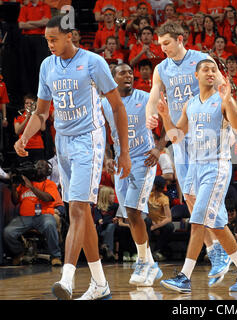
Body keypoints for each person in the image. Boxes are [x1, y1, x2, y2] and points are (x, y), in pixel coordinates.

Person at [14, 15, 131, 300]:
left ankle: (66, 278)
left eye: (54, 39)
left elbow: (117, 107)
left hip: (88, 141)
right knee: (81, 216)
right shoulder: (47, 66)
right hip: (63, 144)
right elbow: (41, 113)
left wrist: (123, 151)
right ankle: (100, 284)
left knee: (77, 210)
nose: (50, 44)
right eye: (47, 40)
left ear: (71, 36)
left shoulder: (93, 62)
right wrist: (25, 137)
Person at [159, 59, 237, 293]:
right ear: (196, 75)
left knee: (197, 221)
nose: (211, 72)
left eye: (214, 69)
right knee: (217, 224)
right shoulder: (190, 104)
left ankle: (184, 277)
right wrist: (164, 115)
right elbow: (176, 136)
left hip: (216, 167)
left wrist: (229, 103)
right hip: (195, 167)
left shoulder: (223, 101)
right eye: (206, 69)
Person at [145, 21, 231, 285]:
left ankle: (223, 250)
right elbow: (153, 96)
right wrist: (150, 116)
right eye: (160, 45)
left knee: (209, 200)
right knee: (191, 196)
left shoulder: (202, 60)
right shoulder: (161, 68)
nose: (163, 50)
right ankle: (215, 249)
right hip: (180, 137)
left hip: (206, 134)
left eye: (167, 44)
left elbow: (224, 90)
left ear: (180, 39)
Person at [101, 63, 161, 287]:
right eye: (122, 73)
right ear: (112, 78)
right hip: (120, 163)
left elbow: (168, 123)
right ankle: (151, 265)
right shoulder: (105, 103)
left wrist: (159, 147)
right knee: (129, 215)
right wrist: (108, 155)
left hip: (144, 159)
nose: (128, 75)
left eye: (130, 73)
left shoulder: (146, 98)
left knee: (134, 212)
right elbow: (102, 133)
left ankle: (143, 262)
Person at [4, 159, 62, 267]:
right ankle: (20, 252)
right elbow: (15, 201)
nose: (39, 168)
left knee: (50, 224)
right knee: (8, 232)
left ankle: (55, 256)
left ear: (48, 171)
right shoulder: (24, 183)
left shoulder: (50, 184)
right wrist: (13, 187)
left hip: (43, 216)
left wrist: (31, 186)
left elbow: (47, 198)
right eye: (37, 166)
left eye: (42, 166)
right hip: (25, 217)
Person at [145, 175, 175, 262]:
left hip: (160, 224)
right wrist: (151, 222)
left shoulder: (164, 198)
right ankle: (146, 251)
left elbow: (169, 218)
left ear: (156, 185)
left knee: (170, 226)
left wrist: (156, 226)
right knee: (146, 222)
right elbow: (143, 211)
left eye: (152, 184)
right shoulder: (148, 195)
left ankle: (157, 251)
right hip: (150, 222)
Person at [14, 94, 46, 164]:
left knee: (39, 171)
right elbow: (17, 131)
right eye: (26, 103)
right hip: (24, 147)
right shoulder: (18, 117)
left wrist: (37, 114)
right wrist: (27, 118)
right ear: (24, 105)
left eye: (31, 103)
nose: (28, 105)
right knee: (25, 170)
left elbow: (43, 128)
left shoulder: (38, 116)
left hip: (38, 146)